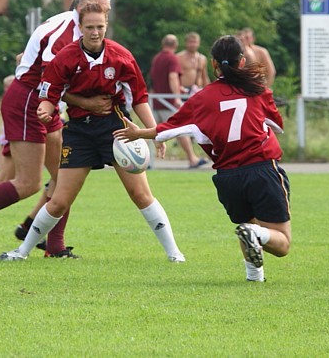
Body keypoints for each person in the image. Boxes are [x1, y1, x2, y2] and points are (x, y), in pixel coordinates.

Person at [0, 3, 185, 262]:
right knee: (59, 200)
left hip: (115, 130)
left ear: (106, 25)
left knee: (140, 194)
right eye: (89, 27)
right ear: (80, 28)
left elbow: (139, 96)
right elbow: (49, 93)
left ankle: (174, 253)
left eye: (100, 26)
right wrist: (45, 108)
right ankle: (22, 252)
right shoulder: (66, 57)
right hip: (79, 132)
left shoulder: (121, 56)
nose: (95, 32)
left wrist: (153, 132)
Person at [0, 0, 113, 260]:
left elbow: (28, 58)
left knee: (64, 176)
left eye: (106, 12)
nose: (102, 19)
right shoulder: (65, 35)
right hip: (29, 102)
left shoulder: (70, 26)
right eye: (100, 10)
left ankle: (54, 245)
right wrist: (89, 102)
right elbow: (48, 83)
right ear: (81, 9)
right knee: (28, 183)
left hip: (44, 103)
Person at [115, 34, 289, 282]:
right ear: (242, 62)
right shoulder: (257, 90)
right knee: (281, 243)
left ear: (214, 64)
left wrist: (139, 133)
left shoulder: (201, 99)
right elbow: (276, 125)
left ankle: (254, 276)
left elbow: (169, 128)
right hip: (260, 168)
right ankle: (255, 235)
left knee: (246, 223)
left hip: (228, 178)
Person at [150, 34, 207, 169]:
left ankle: (148, 160)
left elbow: (153, 78)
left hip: (156, 100)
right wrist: (176, 96)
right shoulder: (174, 58)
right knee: (180, 129)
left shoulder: (157, 58)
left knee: (152, 131)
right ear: (175, 46)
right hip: (167, 100)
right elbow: (173, 77)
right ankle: (192, 158)